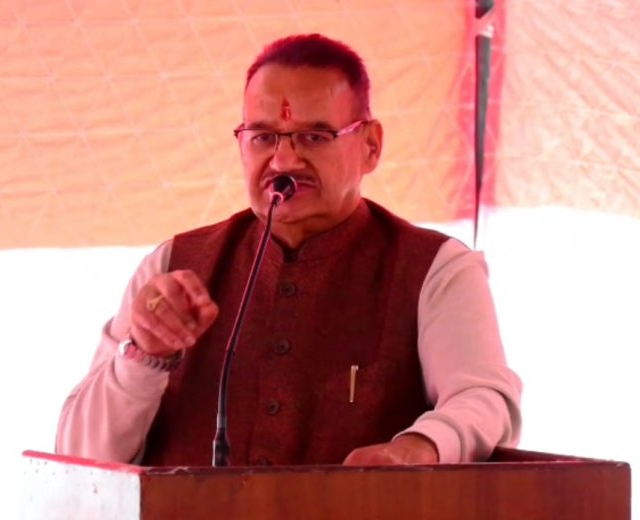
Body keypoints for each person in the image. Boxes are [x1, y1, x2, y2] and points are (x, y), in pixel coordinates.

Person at [56, 33, 522, 467]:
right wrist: (145, 356)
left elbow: (484, 399)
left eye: (314, 137)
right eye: (263, 137)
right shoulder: (173, 266)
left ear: (371, 146)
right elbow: (78, 456)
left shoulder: (434, 269)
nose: (283, 160)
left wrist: (419, 448)